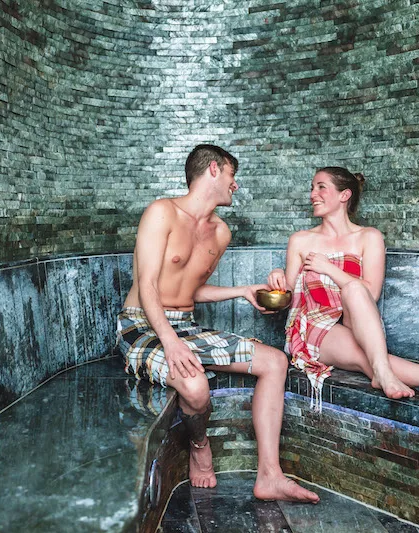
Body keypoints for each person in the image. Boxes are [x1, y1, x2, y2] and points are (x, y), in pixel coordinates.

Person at [116, 144, 319, 503]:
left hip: (185, 324)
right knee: (195, 388)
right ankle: (199, 444)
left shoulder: (220, 232)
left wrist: (242, 291)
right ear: (213, 169)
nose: (235, 185)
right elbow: (148, 283)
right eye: (231, 175)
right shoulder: (162, 213)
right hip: (142, 324)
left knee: (275, 362)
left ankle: (270, 475)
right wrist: (170, 341)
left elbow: (190, 288)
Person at [267, 166, 419, 407]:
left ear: (344, 195)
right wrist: (277, 276)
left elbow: (371, 292)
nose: (312, 194)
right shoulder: (301, 240)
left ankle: (396, 374)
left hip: (356, 319)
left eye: (321, 187)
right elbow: (288, 294)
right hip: (313, 325)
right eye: (312, 188)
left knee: (355, 289)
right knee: (360, 353)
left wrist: (329, 268)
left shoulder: (369, 237)